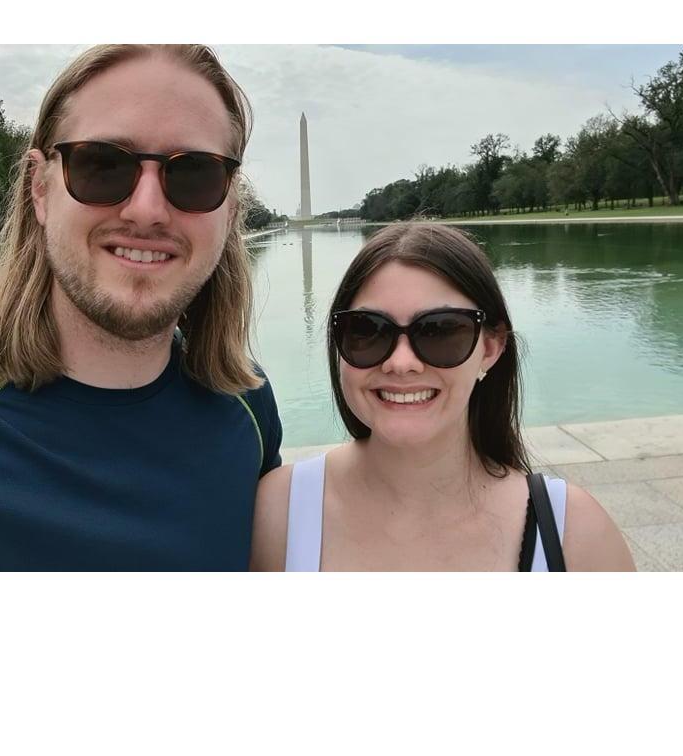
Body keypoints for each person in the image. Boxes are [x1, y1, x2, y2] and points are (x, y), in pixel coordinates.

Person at [0, 45, 282, 571]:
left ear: (230, 208)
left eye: (195, 175)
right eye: (102, 164)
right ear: (41, 189)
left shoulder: (248, 408)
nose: (146, 209)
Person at [251, 222, 633, 571]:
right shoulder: (278, 511)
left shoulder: (576, 536)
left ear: (491, 348)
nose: (402, 363)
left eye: (440, 331)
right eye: (368, 330)